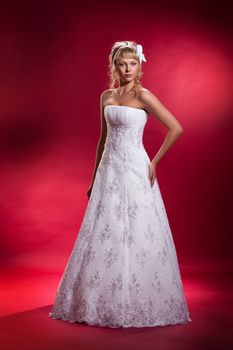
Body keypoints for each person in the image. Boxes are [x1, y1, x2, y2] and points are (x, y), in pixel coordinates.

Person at [48, 40, 192, 328]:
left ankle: (138, 297)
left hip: (135, 170)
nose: (127, 69)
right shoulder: (106, 96)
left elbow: (176, 127)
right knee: (106, 231)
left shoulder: (144, 96)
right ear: (113, 66)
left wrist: (154, 162)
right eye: (122, 63)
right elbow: (102, 140)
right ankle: (99, 297)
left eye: (132, 63)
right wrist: (93, 180)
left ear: (139, 65)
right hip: (109, 171)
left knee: (137, 231)